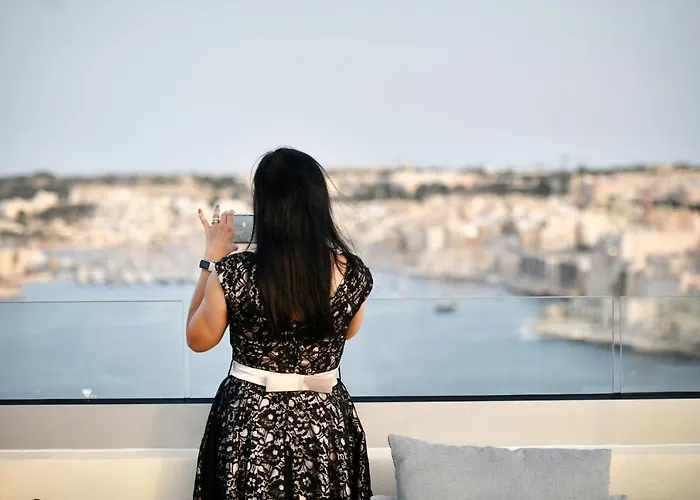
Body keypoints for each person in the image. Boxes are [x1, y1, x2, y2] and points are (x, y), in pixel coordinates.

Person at [186, 147, 374, 499]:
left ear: (264, 208)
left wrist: (211, 259)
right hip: (324, 424)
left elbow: (198, 339)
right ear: (318, 205)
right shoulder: (352, 273)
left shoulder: (235, 273)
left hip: (251, 423)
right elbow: (349, 330)